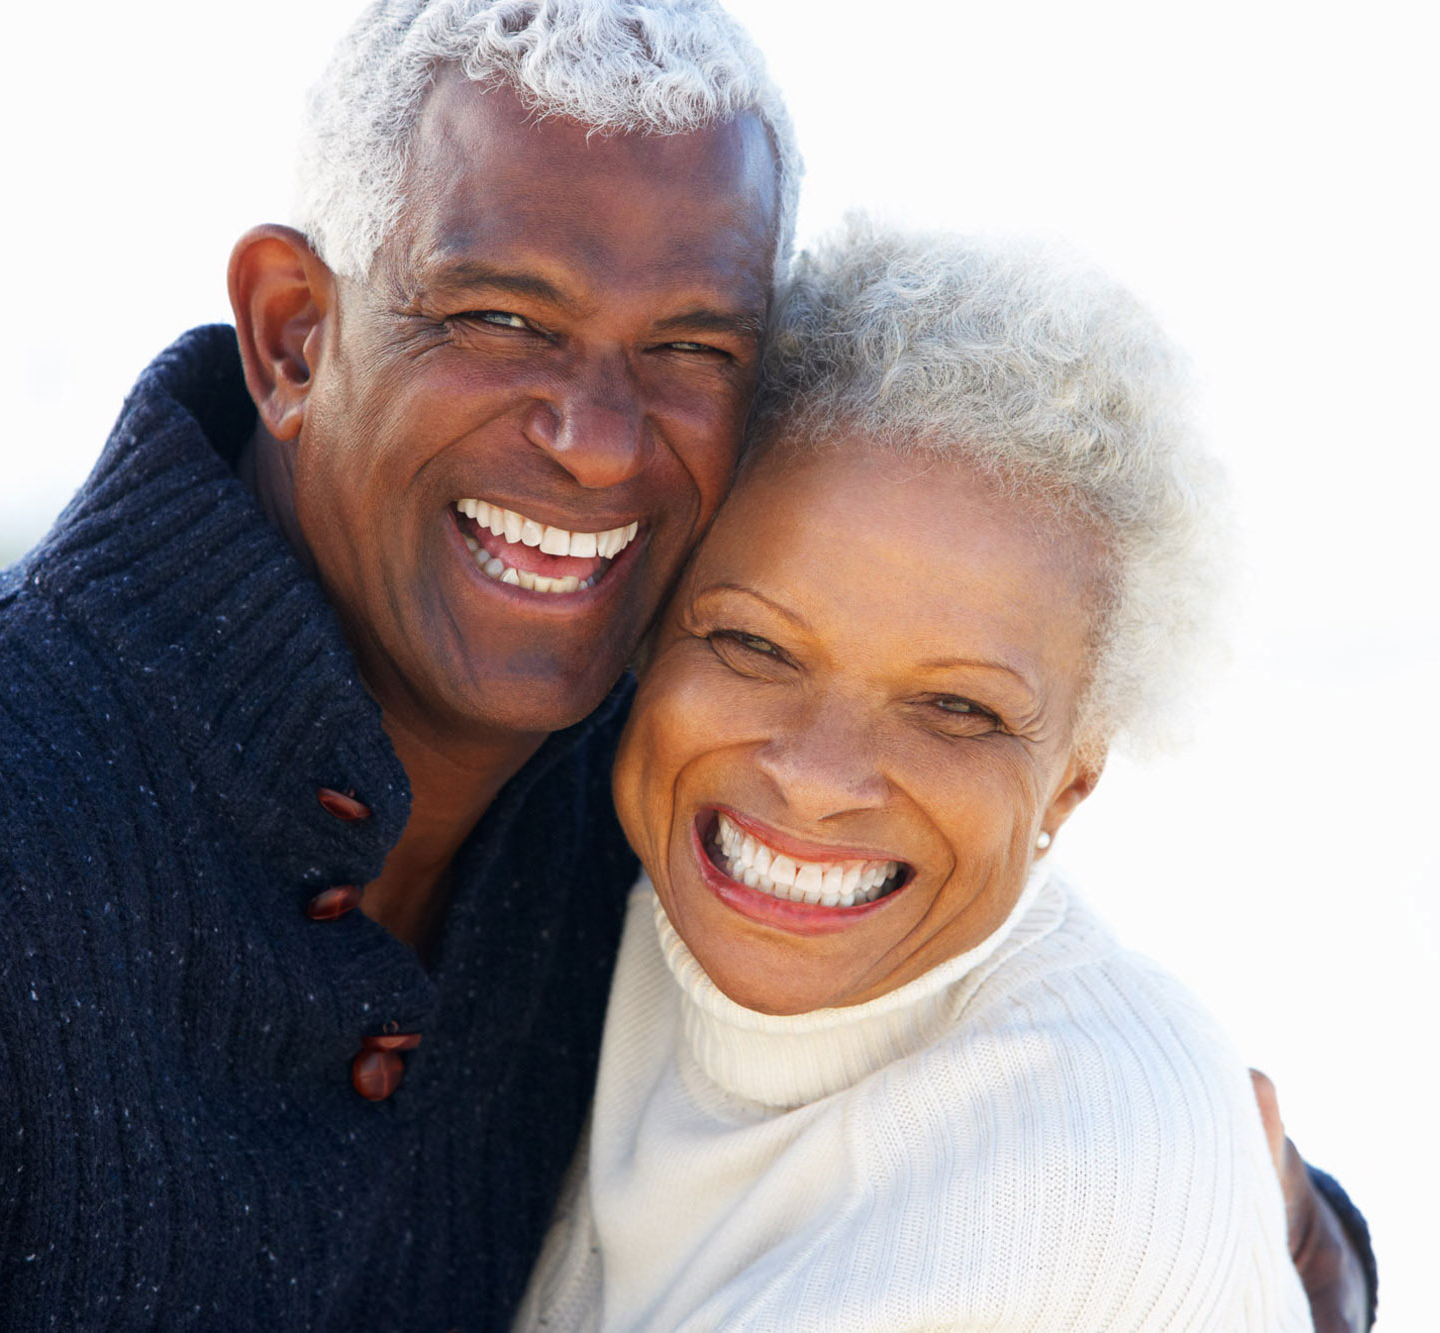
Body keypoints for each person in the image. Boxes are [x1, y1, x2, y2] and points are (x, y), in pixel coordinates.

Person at [0, 2, 1370, 1328]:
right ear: (294, 332)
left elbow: (991, 1064)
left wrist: (1275, 1236)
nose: (592, 440)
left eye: (691, 348)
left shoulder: (650, 787)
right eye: (501, 318)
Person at [515, 217, 1318, 1330]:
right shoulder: (561, 908)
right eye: (754, 645)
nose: (814, 776)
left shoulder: (1091, 1155)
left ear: (1072, 782)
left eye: (957, 709)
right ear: (649, 638)